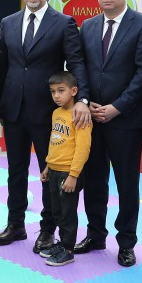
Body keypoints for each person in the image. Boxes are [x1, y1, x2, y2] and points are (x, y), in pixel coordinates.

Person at [0, 0, 89, 250]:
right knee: (15, 170)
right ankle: (15, 224)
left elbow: (76, 63)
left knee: (50, 173)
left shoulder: (63, 23)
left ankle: (48, 229)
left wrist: (81, 99)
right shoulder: (8, 22)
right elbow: (1, 66)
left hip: (49, 112)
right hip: (13, 109)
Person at [77, 0, 142, 267]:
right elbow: (81, 68)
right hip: (91, 118)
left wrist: (117, 107)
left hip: (125, 119)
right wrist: (85, 101)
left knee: (127, 185)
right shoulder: (87, 26)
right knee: (94, 181)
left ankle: (126, 243)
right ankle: (95, 234)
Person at [38, 71, 92, 267]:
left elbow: (83, 148)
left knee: (68, 214)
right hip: (54, 170)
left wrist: (73, 175)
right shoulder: (56, 113)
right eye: (53, 91)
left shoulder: (80, 116)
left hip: (68, 173)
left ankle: (68, 250)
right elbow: (55, 143)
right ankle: (62, 244)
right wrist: (47, 166)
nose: (56, 96)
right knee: (57, 212)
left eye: (61, 91)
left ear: (74, 91)